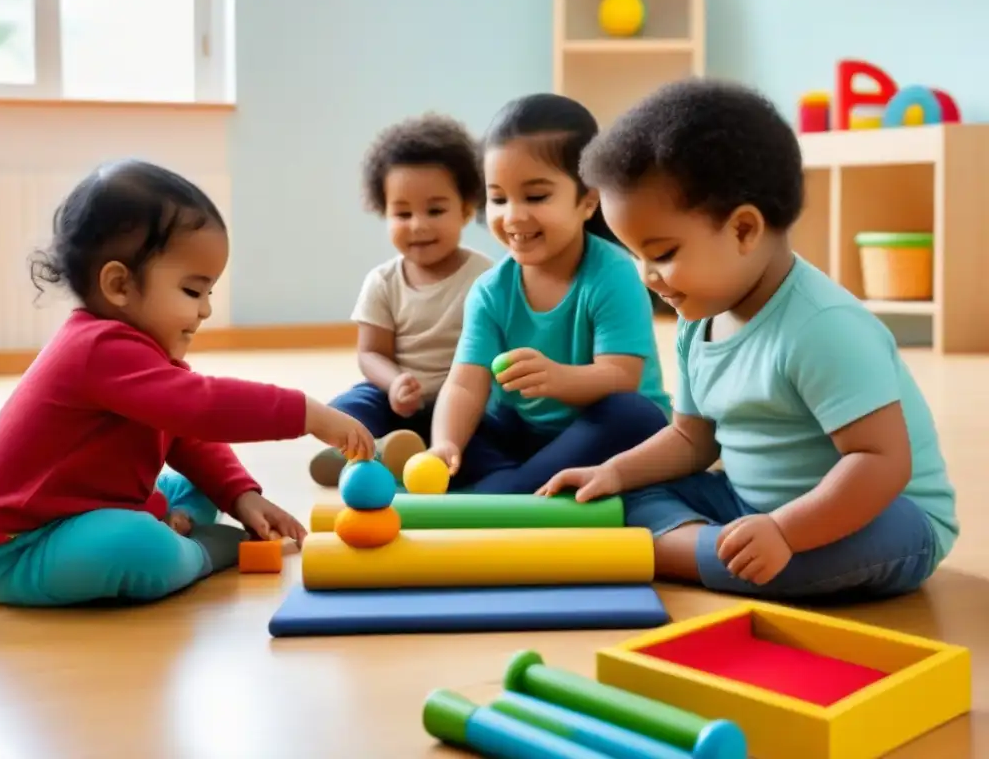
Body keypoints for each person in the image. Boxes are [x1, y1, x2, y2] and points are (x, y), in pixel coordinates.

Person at [539, 78, 957, 601]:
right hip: (748, 503)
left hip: (883, 512)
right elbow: (694, 439)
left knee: (816, 550)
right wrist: (614, 471)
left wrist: (786, 531)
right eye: (635, 256)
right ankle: (707, 548)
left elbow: (881, 463)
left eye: (663, 253)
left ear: (743, 230)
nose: (647, 275)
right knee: (632, 496)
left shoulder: (822, 326)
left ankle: (677, 551)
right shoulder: (700, 314)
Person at [0, 160, 375, 607]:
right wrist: (308, 414)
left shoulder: (140, 352)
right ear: (119, 284)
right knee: (133, 543)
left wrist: (240, 496)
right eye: (192, 292)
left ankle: (174, 523)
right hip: (19, 548)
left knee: (201, 485)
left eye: (209, 294)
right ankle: (203, 551)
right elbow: (201, 408)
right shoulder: (98, 349)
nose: (205, 312)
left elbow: (187, 432)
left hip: (84, 514)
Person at [426, 93, 672, 494]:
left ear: (587, 201)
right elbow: (465, 384)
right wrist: (445, 445)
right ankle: (521, 487)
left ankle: (508, 493)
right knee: (466, 427)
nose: (514, 216)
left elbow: (621, 377)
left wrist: (559, 379)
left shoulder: (614, 274)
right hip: (525, 435)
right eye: (499, 198)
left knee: (635, 416)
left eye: (536, 196)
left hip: (604, 428)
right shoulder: (490, 290)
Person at [309, 114, 495, 487]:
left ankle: (397, 455)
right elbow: (370, 353)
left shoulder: (486, 278)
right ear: (384, 211)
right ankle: (379, 450)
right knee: (344, 409)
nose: (418, 225)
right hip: (396, 401)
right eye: (402, 213)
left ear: (467, 207)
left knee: (498, 428)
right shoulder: (383, 281)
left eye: (435, 210)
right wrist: (394, 384)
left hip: (461, 406)